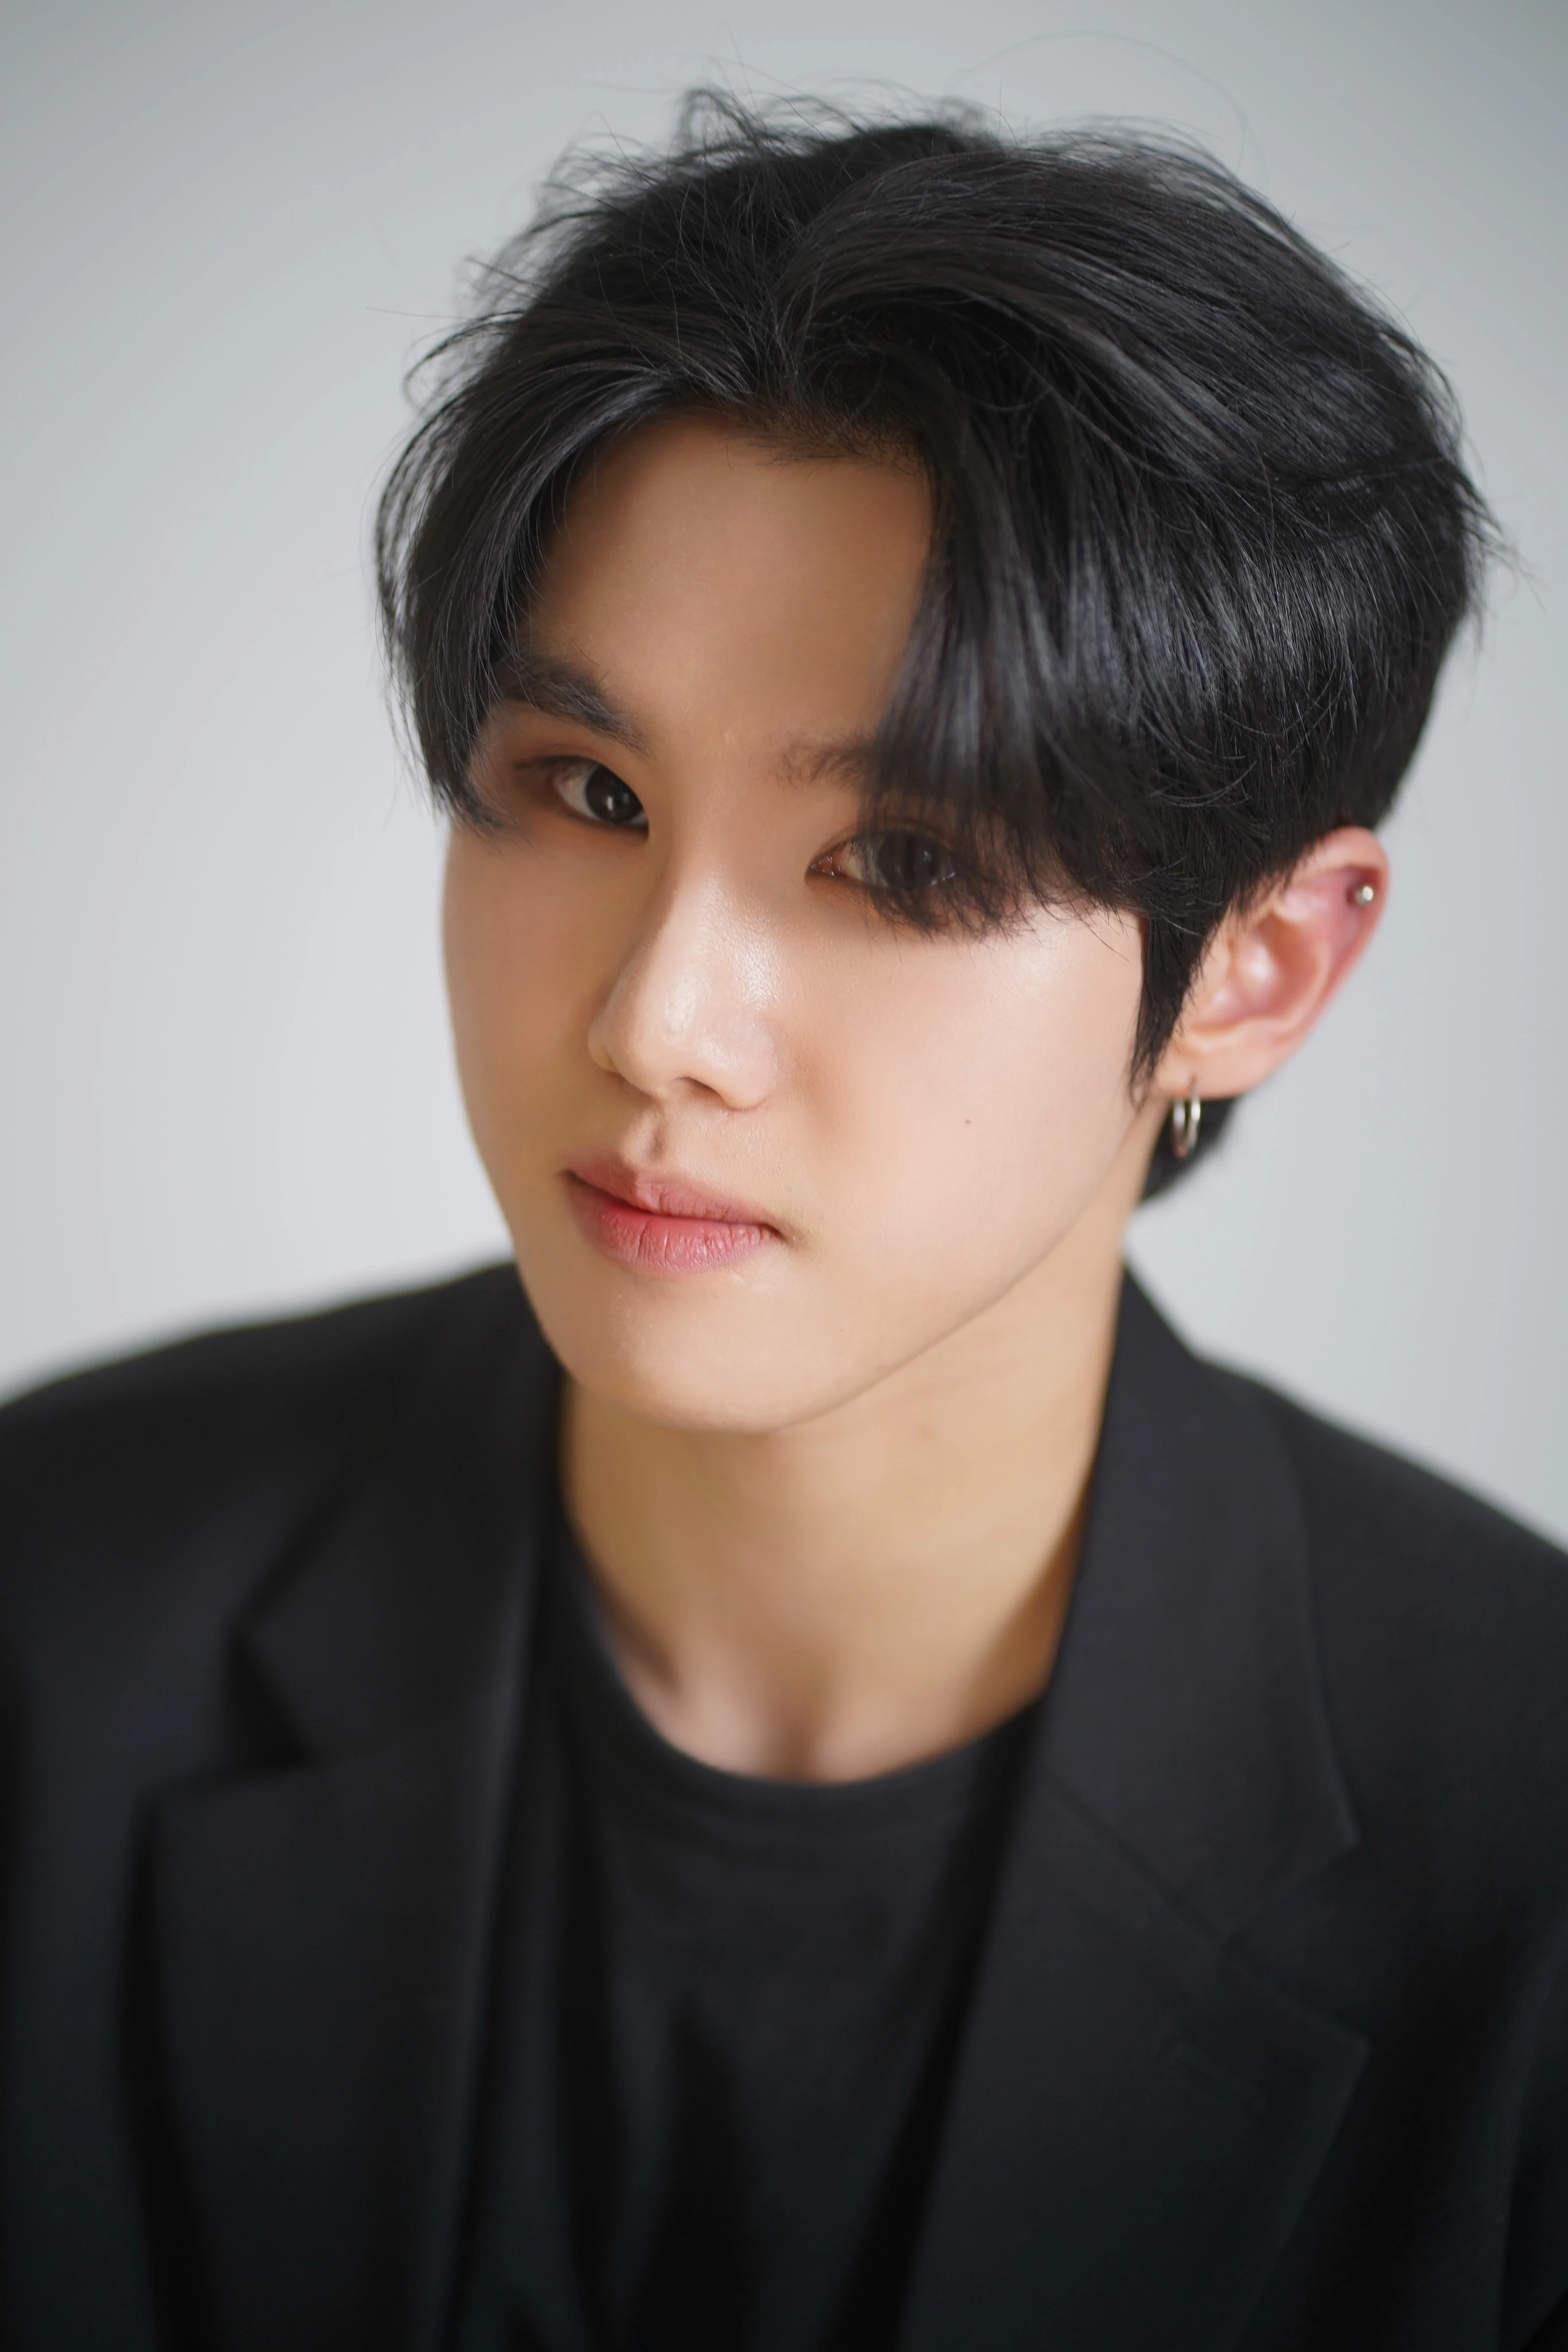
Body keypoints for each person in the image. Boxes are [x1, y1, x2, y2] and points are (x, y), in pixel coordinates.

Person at [2, 91, 1565, 2352]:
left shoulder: (1523, 1853)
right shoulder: (54, 1606)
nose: (656, 1022)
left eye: (902, 865)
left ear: (1254, 968)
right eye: (588, 790)